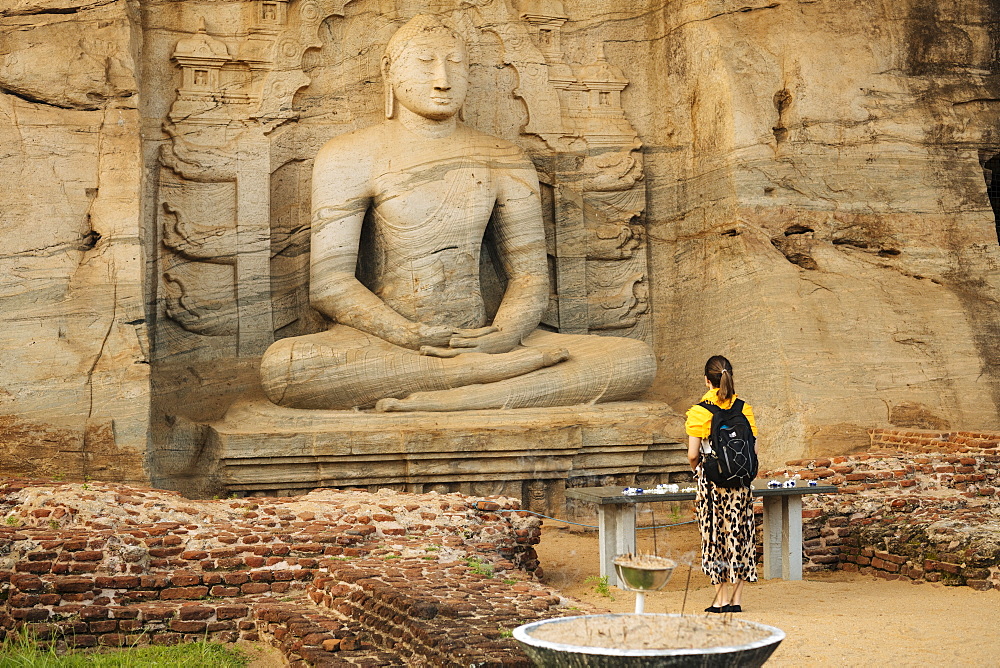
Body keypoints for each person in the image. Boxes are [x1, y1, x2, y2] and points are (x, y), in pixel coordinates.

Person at [259, 15, 656, 411]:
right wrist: (407, 333)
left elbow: (530, 275)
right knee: (284, 369)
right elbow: (330, 285)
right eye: (424, 61)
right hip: (386, 343)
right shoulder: (349, 155)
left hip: (485, 340)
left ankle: (461, 387)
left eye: (455, 62)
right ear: (390, 72)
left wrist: (503, 334)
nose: (443, 78)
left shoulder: (504, 158)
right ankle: (476, 379)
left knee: (634, 361)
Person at [685, 355, 758, 612]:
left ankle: (721, 599)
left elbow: (694, 454)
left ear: (707, 380)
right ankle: (736, 601)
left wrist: (698, 471)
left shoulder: (699, 412)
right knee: (739, 535)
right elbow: (752, 447)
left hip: (712, 485)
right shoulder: (744, 408)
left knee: (715, 537)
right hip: (740, 483)